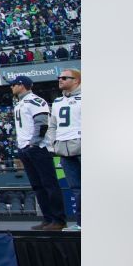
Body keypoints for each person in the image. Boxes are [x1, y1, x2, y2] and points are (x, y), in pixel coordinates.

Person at [12, 76, 66, 230]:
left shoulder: (35, 100)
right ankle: (48, 218)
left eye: (14, 84)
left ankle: (59, 219)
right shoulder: (20, 103)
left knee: (49, 184)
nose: (12, 87)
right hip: (26, 148)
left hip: (38, 148)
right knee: (37, 186)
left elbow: (42, 123)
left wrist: (33, 144)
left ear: (22, 85)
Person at [50, 69, 82, 230]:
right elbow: (52, 125)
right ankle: (81, 223)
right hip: (64, 149)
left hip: (80, 145)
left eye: (64, 77)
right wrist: (53, 144)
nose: (60, 80)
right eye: (59, 77)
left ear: (76, 80)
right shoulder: (57, 102)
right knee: (76, 189)